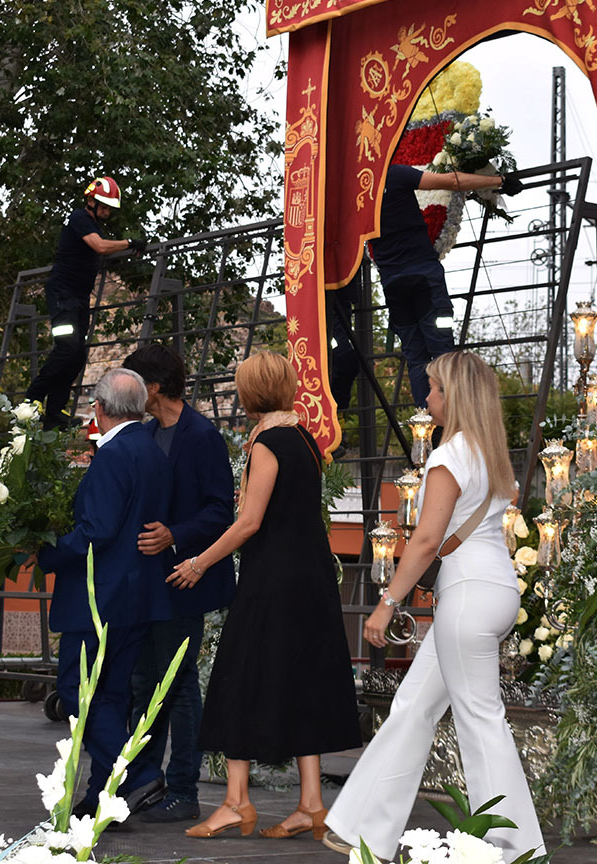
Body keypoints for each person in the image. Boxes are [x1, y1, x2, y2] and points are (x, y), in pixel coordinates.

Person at [322, 351, 544, 863]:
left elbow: (424, 541)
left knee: (480, 720)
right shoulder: (489, 454)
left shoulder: (450, 457)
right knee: (414, 707)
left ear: (457, 396)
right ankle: (363, 830)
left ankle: (514, 851)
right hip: (493, 588)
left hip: (467, 594)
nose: (427, 399)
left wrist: (386, 603)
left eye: (435, 390)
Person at [171, 351, 360, 840]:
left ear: (250, 392)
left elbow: (250, 522)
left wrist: (199, 562)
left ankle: (236, 803)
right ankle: (312, 803)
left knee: (237, 677)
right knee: (304, 678)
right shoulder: (303, 437)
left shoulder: (267, 443)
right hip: (311, 577)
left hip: (273, 578)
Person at [39, 368, 171, 818]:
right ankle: (102, 797)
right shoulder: (152, 451)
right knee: (112, 695)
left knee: (78, 691)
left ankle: (134, 775)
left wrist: (46, 551)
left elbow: (97, 531)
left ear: (98, 409)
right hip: (137, 596)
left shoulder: (114, 455)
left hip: (101, 598)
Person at [121, 343, 237, 823]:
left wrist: (175, 534)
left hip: (186, 580)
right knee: (145, 680)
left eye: (134, 383)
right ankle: (146, 783)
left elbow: (220, 510)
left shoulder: (202, 436)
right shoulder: (147, 433)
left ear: (154, 387)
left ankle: (184, 789)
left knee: (180, 683)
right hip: (150, 583)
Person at [371, 164, 522, 407]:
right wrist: (499, 180)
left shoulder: (355, 191)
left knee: (416, 358)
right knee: (443, 352)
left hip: (392, 284)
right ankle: (451, 422)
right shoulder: (393, 174)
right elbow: (451, 181)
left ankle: (427, 426)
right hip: (424, 277)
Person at [27, 176, 148, 429]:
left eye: (109, 208)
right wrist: (129, 243)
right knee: (67, 349)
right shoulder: (79, 218)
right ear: (90, 200)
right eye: (103, 206)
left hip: (79, 299)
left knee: (77, 355)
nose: (106, 212)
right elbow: (100, 247)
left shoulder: (95, 226)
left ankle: (55, 412)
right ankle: (31, 400)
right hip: (63, 295)